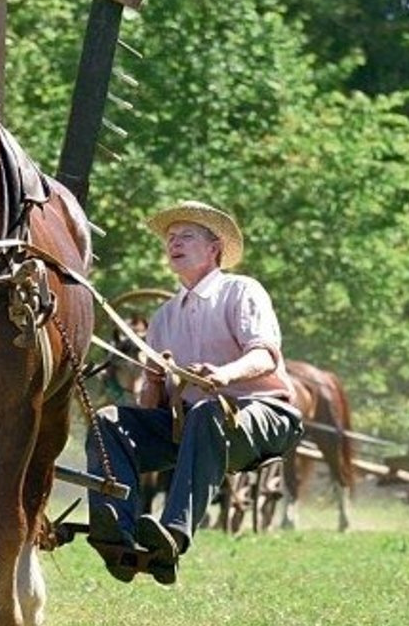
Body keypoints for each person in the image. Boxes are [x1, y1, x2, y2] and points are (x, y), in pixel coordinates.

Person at [86, 200, 303, 585]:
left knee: (207, 411)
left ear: (214, 247)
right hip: (192, 426)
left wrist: (223, 375)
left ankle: (173, 535)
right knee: (109, 421)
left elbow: (265, 355)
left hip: (265, 416)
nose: (174, 243)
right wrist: (152, 380)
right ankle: (115, 533)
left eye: (186, 236)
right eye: (170, 238)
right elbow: (153, 406)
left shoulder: (242, 291)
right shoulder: (164, 317)